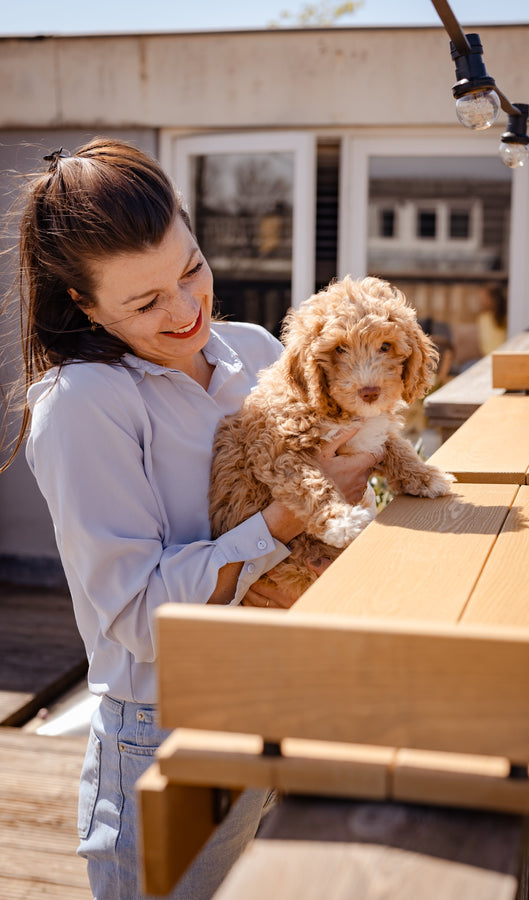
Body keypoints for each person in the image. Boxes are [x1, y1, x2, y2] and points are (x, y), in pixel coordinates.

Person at [2, 138, 377, 899]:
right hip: (167, 728)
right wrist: (282, 520)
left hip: (287, 696)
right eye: (144, 302)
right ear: (81, 302)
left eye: (191, 268)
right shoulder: (84, 405)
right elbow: (140, 616)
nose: (187, 310)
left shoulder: (255, 349)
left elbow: (340, 507)